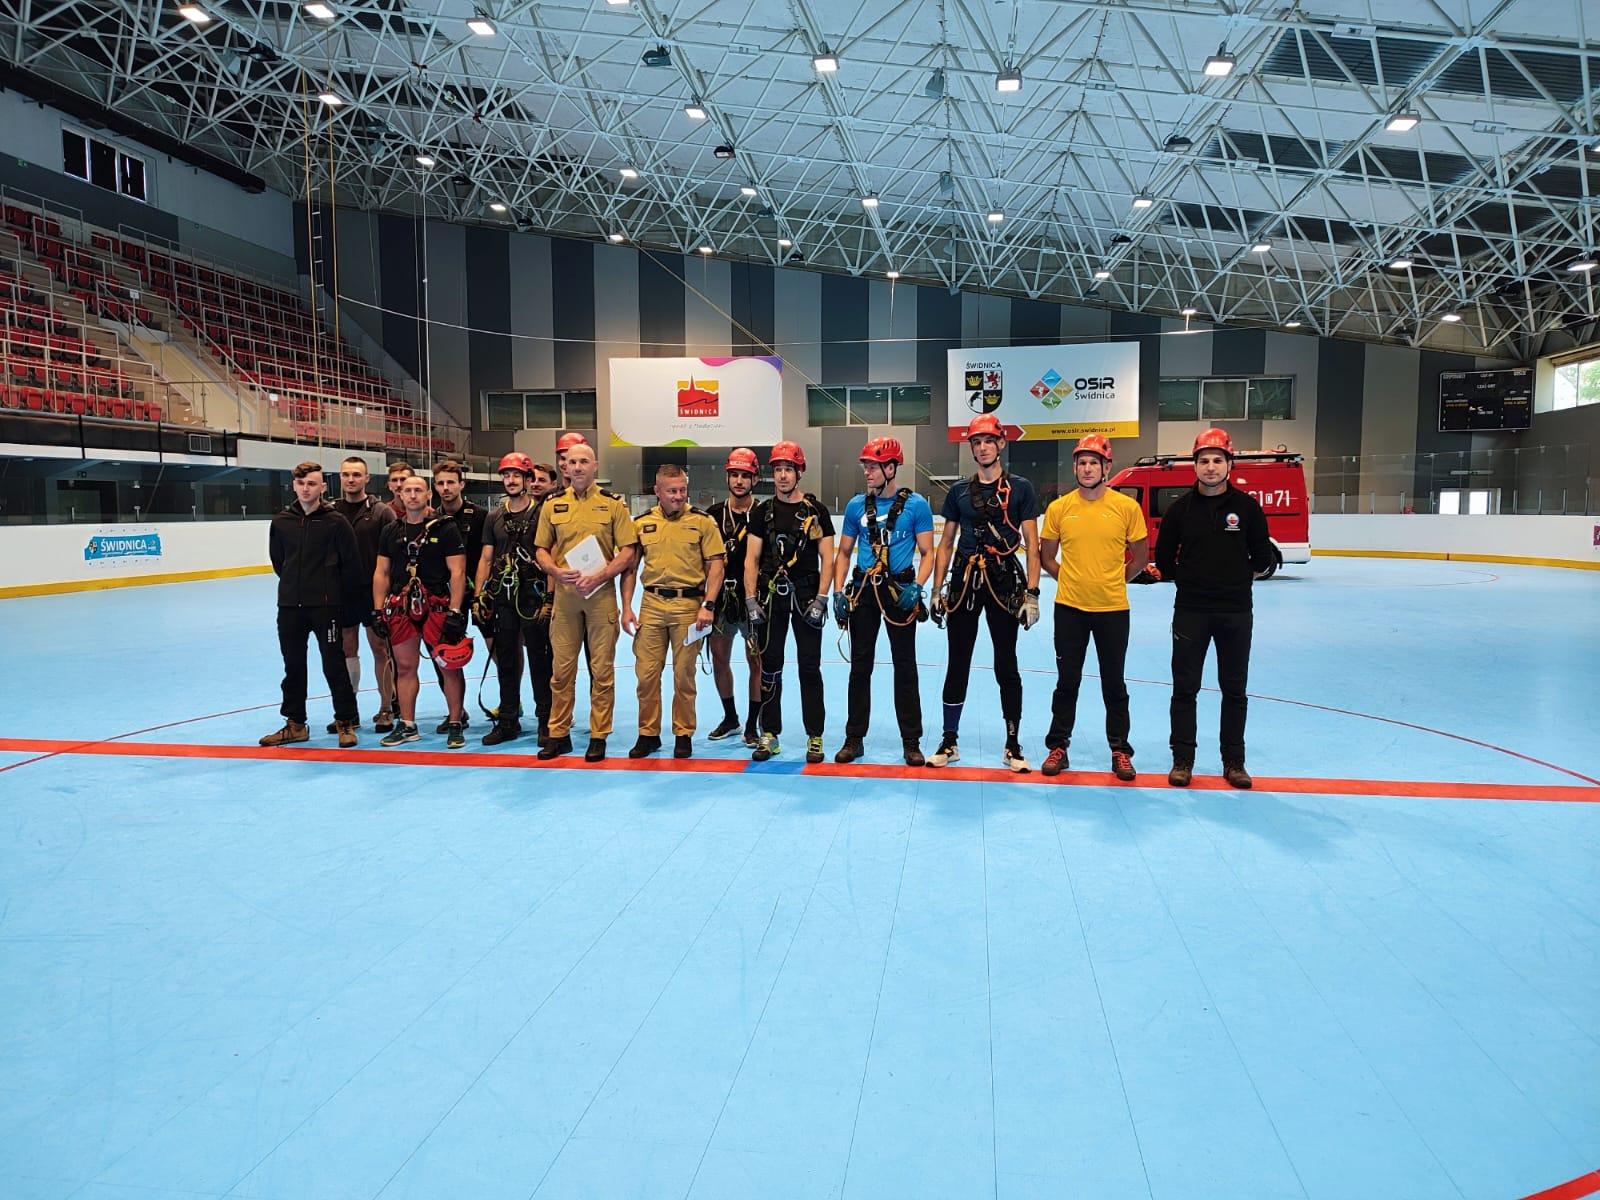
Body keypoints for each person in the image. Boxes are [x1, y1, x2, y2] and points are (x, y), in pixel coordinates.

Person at [1154, 428, 1274, 790]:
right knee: (1185, 688)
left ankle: (1234, 761)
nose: (1210, 467)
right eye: (1204, 460)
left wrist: (1233, 579)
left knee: (1234, 689)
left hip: (1235, 612)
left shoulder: (1247, 508)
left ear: (1229, 464)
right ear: (1194, 465)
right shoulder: (1180, 510)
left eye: (1217, 460)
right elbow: (1164, 560)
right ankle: (1182, 759)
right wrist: (1191, 581)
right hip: (1191, 610)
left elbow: (1262, 558)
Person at [928, 414, 1042, 772]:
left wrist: (1033, 594)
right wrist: (936, 589)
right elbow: (946, 543)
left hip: (1003, 582)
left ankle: (1012, 743)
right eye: (976, 442)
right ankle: (949, 740)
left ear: (1001, 444)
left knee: (1006, 663)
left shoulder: (1021, 489)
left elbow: (1032, 544)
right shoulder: (959, 492)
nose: (982, 447)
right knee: (957, 661)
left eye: (989, 441)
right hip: (964, 582)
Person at [1038, 433, 1149, 781]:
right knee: (1067, 682)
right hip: (1069, 609)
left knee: (1114, 683)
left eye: (1094, 463)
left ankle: (1120, 750)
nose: (1087, 468)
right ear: (1075, 467)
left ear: (1107, 467)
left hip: (1113, 610)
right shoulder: (1059, 508)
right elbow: (1046, 557)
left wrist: (1113, 580)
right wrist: (1071, 580)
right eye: (1082, 462)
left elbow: (1141, 557)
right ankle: (1058, 746)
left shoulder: (1126, 507)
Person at [832, 436, 935, 766]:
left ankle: (911, 740)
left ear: (891, 468)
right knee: (860, 666)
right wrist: (838, 590)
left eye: (873, 466)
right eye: (865, 466)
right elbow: (843, 552)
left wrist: (918, 587)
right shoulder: (855, 506)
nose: (867, 472)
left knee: (905, 665)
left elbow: (928, 553)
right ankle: (854, 737)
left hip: (899, 593)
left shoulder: (916, 506)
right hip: (864, 591)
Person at [534, 442, 638, 761]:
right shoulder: (552, 506)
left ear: (595, 466)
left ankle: (598, 735)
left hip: (600, 596)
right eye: (572, 462)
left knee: (601, 671)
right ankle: (558, 734)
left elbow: (629, 551)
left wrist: (601, 576)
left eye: (584, 461)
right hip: (566, 599)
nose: (577, 467)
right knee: (561, 671)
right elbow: (540, 549)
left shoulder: (613, 505)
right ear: (564, 467)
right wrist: (554, 570)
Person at [619, 465, 725, 758]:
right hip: (652, 605)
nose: (678, 496)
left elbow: (716, 566)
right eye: (672, 491)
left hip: (688, 607)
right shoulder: (642, 523)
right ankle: (648, 734)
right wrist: (626, 607)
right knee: (646, 674)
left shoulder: (702, 522)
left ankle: (683, 734)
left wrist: (708, 604)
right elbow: (630, 569)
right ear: (657, 491)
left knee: (684, 675)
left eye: (682, 490)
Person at [261, 461, 365, 748]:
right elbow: (279, 562)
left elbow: (351, 565)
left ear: (323, 487)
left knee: (334, 664)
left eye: (311, 484)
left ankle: (345, 721)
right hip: (290, 607)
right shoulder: (281, 522)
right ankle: (295, 723)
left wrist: (335, 596)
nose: (306, 489)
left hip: (326, 607)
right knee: (293, 666)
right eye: (301, 483)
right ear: (294, 486)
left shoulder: (336, 522)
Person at [743, 441, 835, 764]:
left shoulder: (816, 511)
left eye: (788, 469)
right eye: (778, 469)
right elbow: (751, 559)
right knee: (770, 668)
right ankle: (770, 733)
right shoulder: (761, 512)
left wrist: (822, 598)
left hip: (807, 598)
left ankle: (815, 735)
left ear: (800, 472)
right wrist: (750, 599)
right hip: (770, 599)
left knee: (810, 667)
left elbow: (828, 558)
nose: (783, 476)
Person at [370, 473, 471, 748]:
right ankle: (408, 725)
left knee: (448, 665)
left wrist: (455, 610)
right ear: (400, 495)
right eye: (407, 490)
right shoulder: (391, 531)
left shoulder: (446, 528)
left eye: (418, 490)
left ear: (429, 495)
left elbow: (458, 571)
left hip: (437, 604)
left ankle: (455, 722)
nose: (412, 495)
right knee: (405, 667)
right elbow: (382, 572)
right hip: (401, 607)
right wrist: (378, 610)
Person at [475, 454, 557, 746]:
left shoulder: (542, 514)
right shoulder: (494, 517)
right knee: (507, 660)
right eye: (506, 475)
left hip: (533, 596)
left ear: (527, 479)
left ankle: (546, 720)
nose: (510, 481)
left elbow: (552, 555)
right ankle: (508, 719)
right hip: (504, 596)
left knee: (540, 660)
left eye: (516, 475)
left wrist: (549, 597)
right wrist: (479, 596)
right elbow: (486, 558)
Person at [330, 455, 397, 731]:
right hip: (342, 593)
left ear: (367, 479)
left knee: (380, 648)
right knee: (347, 649)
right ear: (340, 477)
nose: (351, 479)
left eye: (357, 474)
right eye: (346, 474)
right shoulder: (330, 511)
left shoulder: (381, 512)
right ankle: (350, 711)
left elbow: (394, 554)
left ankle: (387, 707)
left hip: (374, 593)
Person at [704, 448, 764, 747]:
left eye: (745, 475)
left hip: (753, 599)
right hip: (721, 600)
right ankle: (730, 718)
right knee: (719, 660)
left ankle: (753, 724)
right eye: (735, 475)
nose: (739, 481)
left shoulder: (764, 514)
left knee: (757, 662)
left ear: (755, 479)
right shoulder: (713, 515)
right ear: (727, 477)